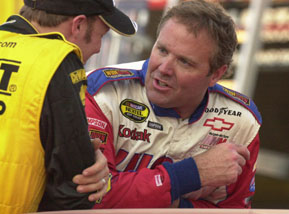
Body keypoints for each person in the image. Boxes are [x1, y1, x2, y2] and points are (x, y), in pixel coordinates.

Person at [86, 0, 262, 209]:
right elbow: (92, 199)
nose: (164, 68)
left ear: (216, 74)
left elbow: (234, 210)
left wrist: (170, 203)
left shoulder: (241, 121)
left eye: (184, 62)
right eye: (162, 50)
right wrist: (192, 174)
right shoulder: (102, 92)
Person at [0, 0, 137, 213]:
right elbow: (76, 188)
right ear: (78, 25)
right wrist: (91, 164)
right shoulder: (58, 60)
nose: (99, 47)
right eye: (101, 35)